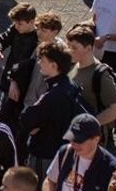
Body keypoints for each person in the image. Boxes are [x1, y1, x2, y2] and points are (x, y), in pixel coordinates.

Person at [18, 41, 85, 178]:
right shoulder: (69, 86)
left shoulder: (52, 96)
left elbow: (26, 120)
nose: (39, 63)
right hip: (62, 152)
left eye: (42, 61)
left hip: (45, 156)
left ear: (54, 66)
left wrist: (35, 127)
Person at [66, 25, 116, 149]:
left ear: (88, 48)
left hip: (92, 141)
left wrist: (89, 125)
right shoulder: (72, 66)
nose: (69, 50)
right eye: (68, 46)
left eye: (74, 48)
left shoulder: (100, 74)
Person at [43, 114, 116, 191]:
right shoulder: (65, 152)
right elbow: (50, 180)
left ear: (96, 139)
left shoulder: (111, 167)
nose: (74, 144)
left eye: (80, 141)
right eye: (72, 139)